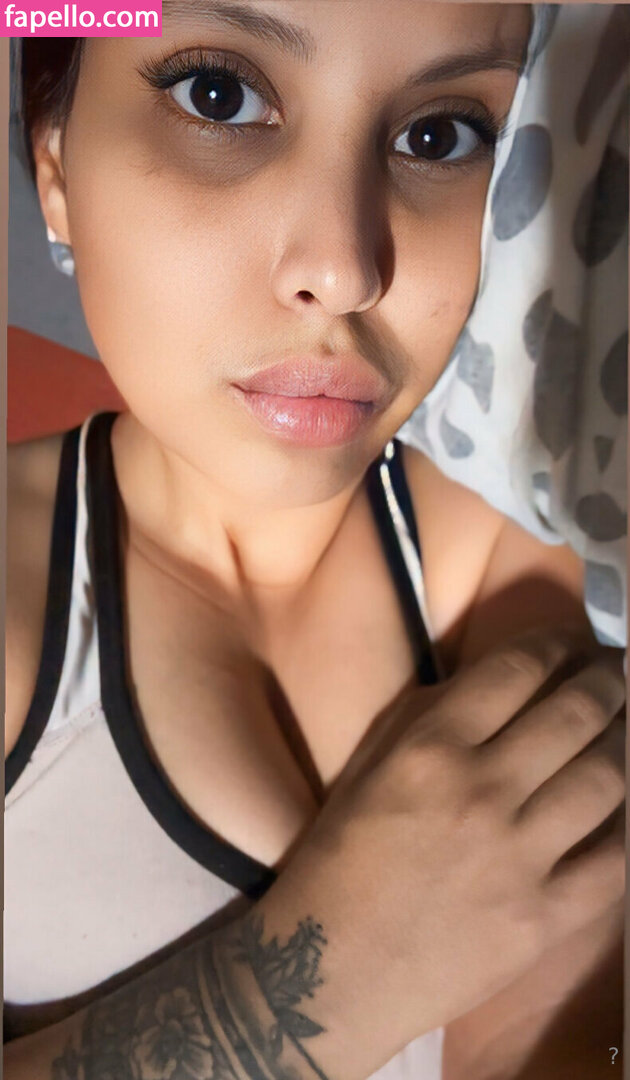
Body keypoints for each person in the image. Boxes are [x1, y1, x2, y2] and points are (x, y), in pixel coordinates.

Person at [5, 4, 625, 1078]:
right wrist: (329, 985)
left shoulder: (522, 561)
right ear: (54, 162)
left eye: (439, 134)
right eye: (218, 96)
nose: (342, 271)